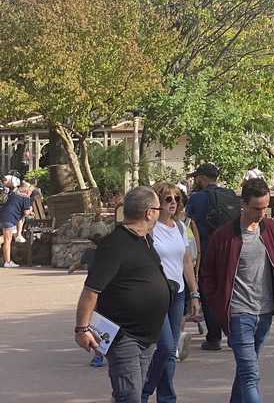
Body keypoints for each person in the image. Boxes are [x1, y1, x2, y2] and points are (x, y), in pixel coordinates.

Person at [200, 177, 274, 403]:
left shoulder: (273, 229)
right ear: (243, 203)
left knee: (245, 371)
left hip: (265, 312)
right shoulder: (224, 235)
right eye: (256, 208)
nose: (262, 212)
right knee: (251, 374)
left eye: (265, 207)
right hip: (239, 313)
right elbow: (207, 273)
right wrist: (218, 302)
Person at [74, 186, 170, 403]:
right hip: (123, 336)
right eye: (158, 208)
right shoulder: (114, 245)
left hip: (146, 336)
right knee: (130, 397)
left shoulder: (144, 240)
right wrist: (81, 329)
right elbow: (91, 290)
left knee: (130, 394)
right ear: (149, 213)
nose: (160, 212)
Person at [140, 181, 201, 403]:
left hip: (178, 294)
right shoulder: (149, 229)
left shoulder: (181, 227)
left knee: (171, 349)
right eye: (168, 199)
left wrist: (194, 294)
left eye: (176, 198)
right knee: (165, 346)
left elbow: (186, 262)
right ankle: (143, 392)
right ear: (157, 202)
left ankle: (167, 398)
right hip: (156, 295)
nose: (173, 203)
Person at [184, 162, 228, 350]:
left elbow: (186, 221)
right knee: (228, 292)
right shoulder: (228, 195)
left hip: (205, 252)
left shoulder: (196, 198)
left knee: (209, 293)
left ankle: (214, 338)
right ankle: (235, 335)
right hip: (227, 251)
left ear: (203, 178)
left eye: (196, 177)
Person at [1, 179, 33, 267]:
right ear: (28, 190)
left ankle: (19, 236)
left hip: (3, 214)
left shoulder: (14, 194)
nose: (31, 193)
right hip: (9, 218)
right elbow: (26, 212)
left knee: (7, 239)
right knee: (7, 240)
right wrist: (31, 210)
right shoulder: (26, 197)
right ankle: (7, 261)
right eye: (31, 191)